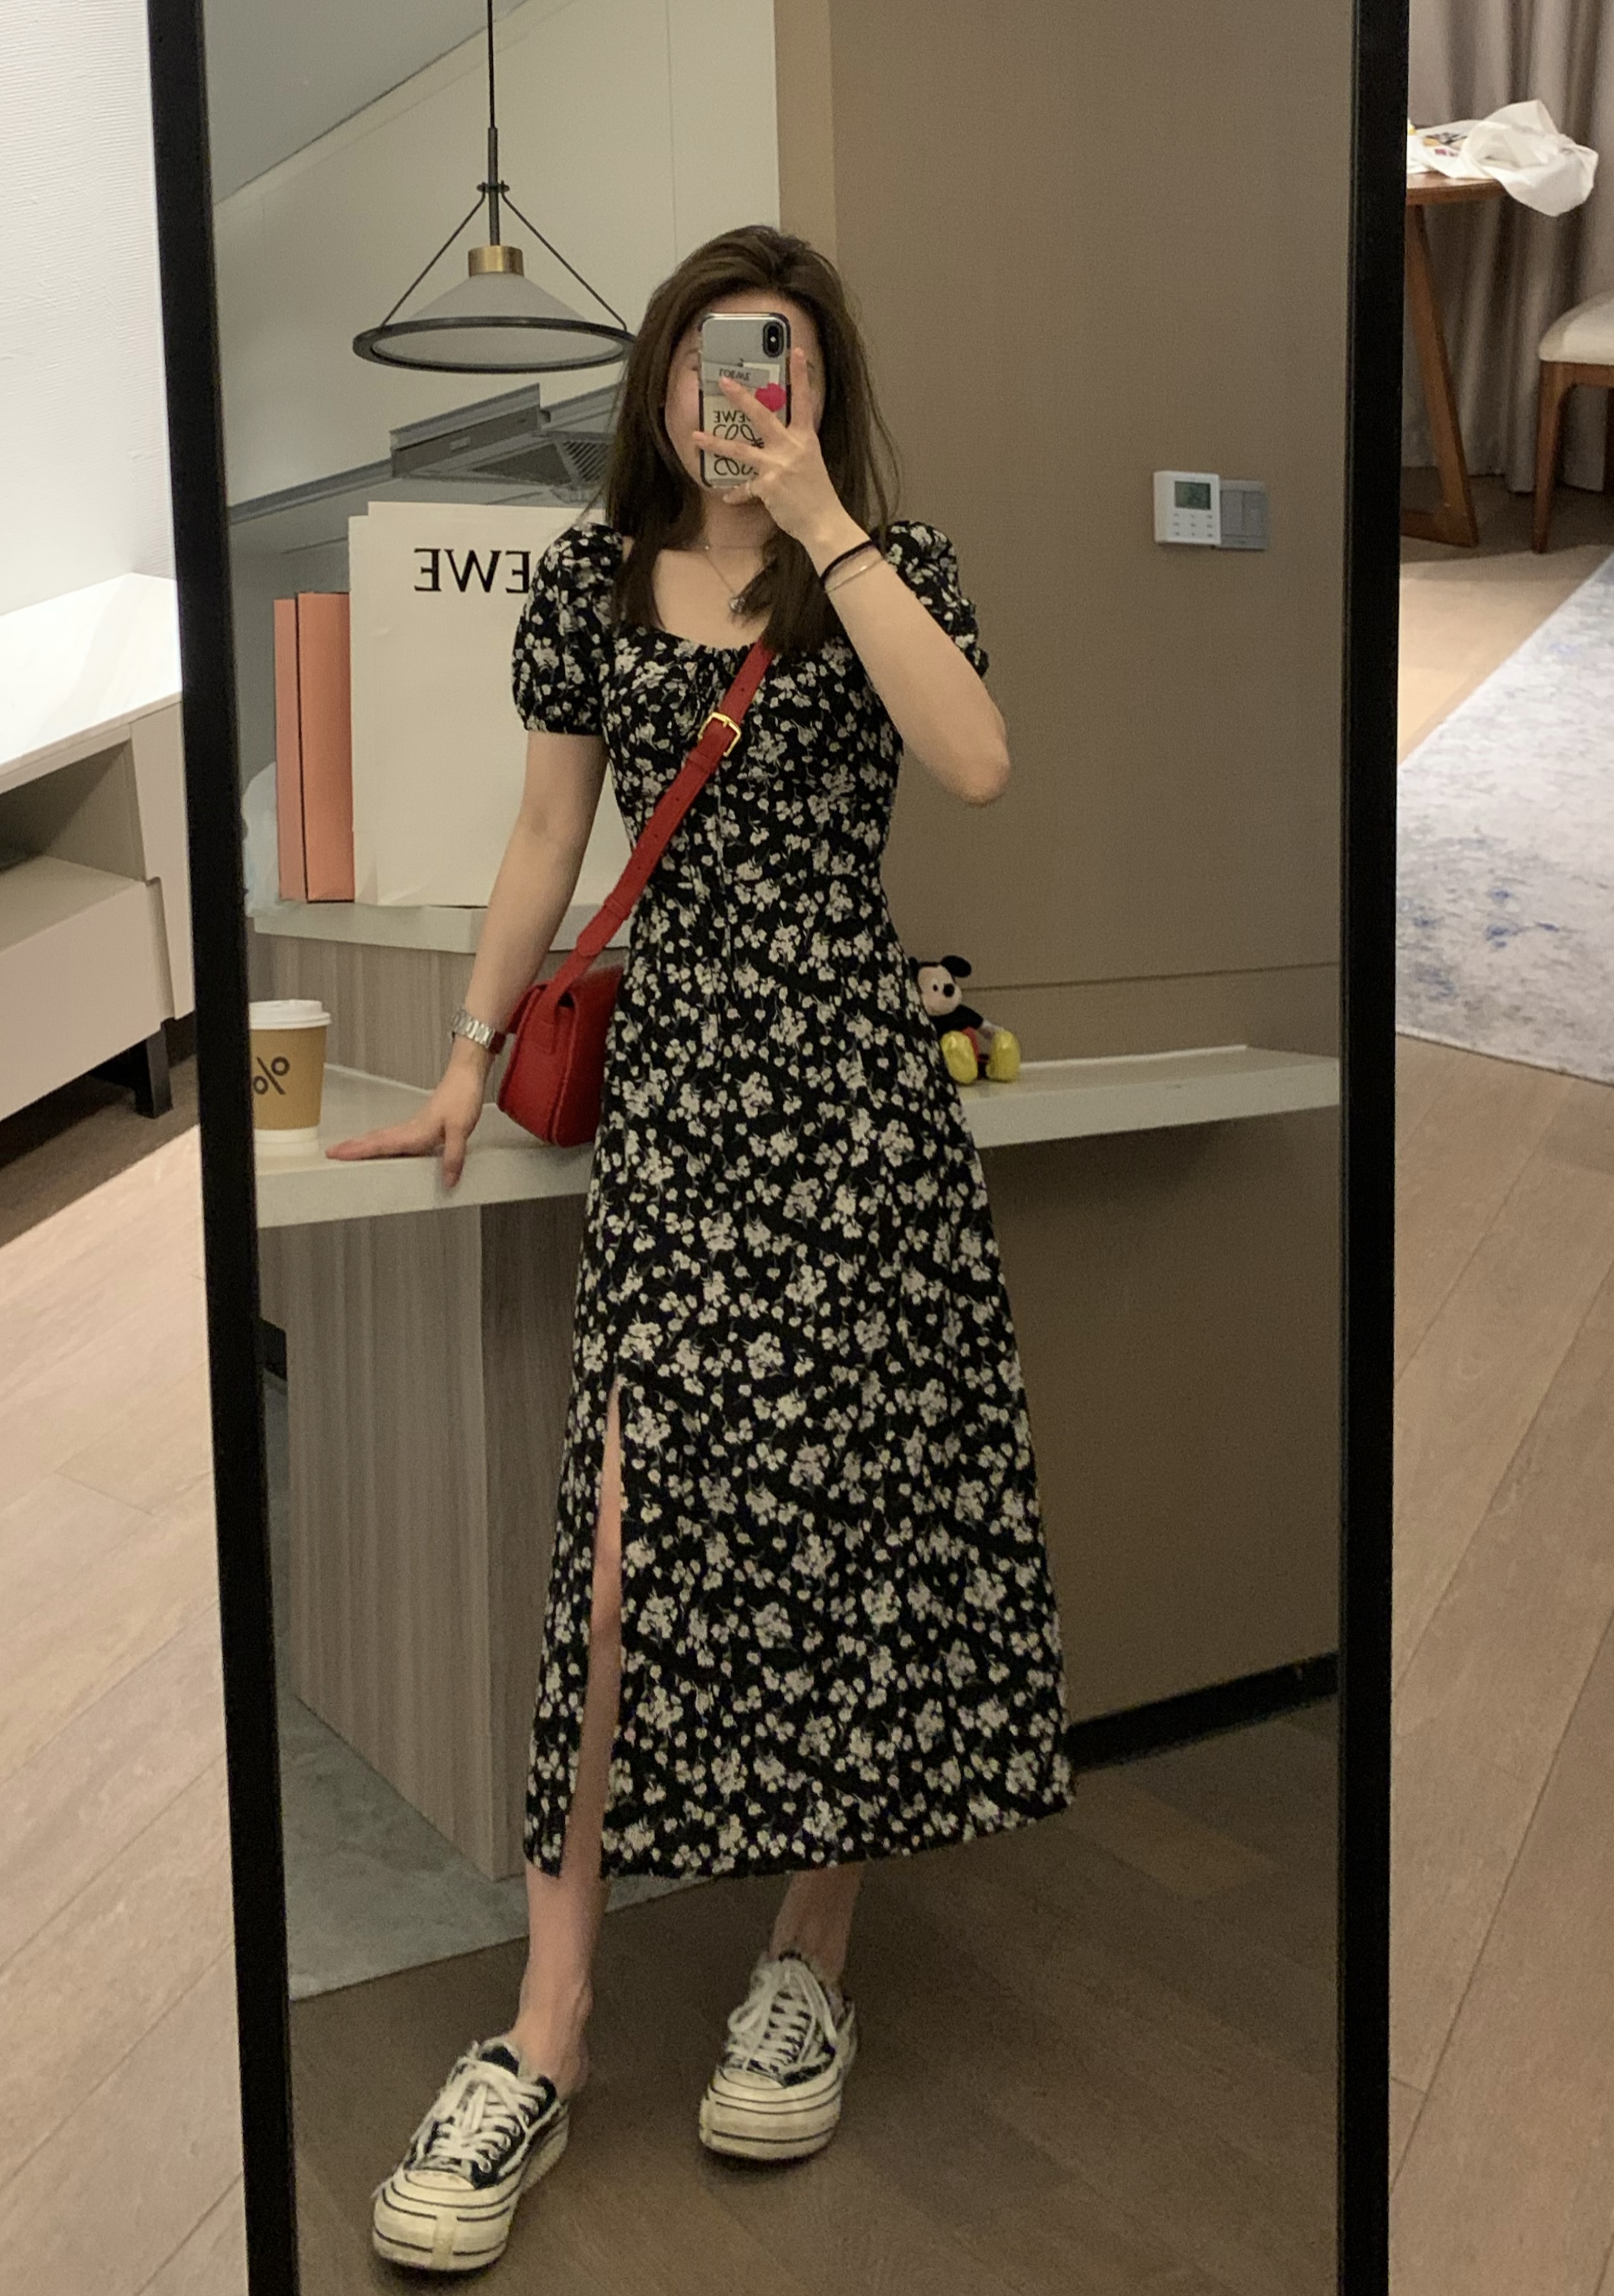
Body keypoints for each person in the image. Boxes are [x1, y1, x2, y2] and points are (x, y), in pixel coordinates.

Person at [329, 222, 1075, 2277]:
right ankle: (547, 2028)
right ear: (660, 381)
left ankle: (810, 1958)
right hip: (680, 1116)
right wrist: (468, 1054)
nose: (742, 390)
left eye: (784, 363)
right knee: (621, 1553)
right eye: (714, 359)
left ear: (823, 393)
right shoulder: (589, 584)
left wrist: (825, 521)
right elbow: (544, 837)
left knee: (848, 1529)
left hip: (856, 1109)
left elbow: (978, 762)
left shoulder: (887, 571)